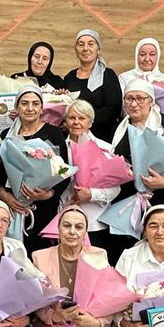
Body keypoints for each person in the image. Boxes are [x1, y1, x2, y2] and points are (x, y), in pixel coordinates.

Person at [108, 79, 164, 249]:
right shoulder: (118, 129)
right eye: (129, 99)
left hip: (163, 199)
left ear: (151, 101)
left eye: (140, 98)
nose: (134, 104)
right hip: (127, 201)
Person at [0, 85, 70, 252]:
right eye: (24, 103)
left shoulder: (54, 133)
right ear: (16, 108)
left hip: (43, 210)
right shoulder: (6, 135)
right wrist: (4, 195)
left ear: (41, 108)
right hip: (11, 208)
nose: (30, 108)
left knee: (40, 257)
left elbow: (64, 173)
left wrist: (49, 194)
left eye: (35, 104)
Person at [60, 99, 120, 251]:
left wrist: (91, 194)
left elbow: (116, 189)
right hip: (63, 221)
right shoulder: (58, 148)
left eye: (82, 118)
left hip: (95, 222)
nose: (76, 122)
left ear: (90, 123)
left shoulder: (105, 148)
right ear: (66, 121)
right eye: (72, 118)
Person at [62, 29, 121, 141]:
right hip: (73, 135)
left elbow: (114, 108)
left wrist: (85, 121)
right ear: (76, 50)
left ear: (98, 49)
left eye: (90, 44)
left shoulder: (108, 75)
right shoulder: (70, 77)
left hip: (101, 136)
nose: (85, 48)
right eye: (81, 45)